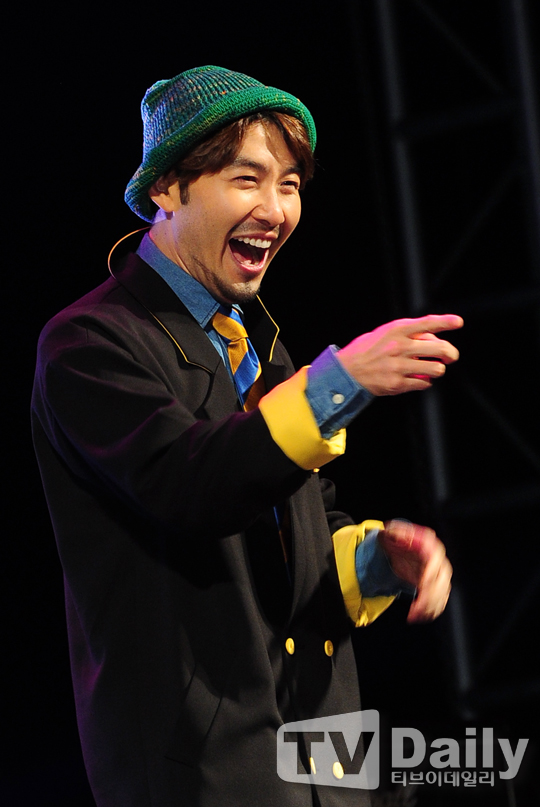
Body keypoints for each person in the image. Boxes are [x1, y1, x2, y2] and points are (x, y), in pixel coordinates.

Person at [31, 66, 462, 807]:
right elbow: (191, 484)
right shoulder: (90, 343)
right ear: (167, 189)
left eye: (289, 185)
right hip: (202, 776)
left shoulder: (259, 349)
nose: (275, 209)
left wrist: (377, 561)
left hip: (323, 765)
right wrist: (338, 382)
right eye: (247, 179)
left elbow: (294, 535)